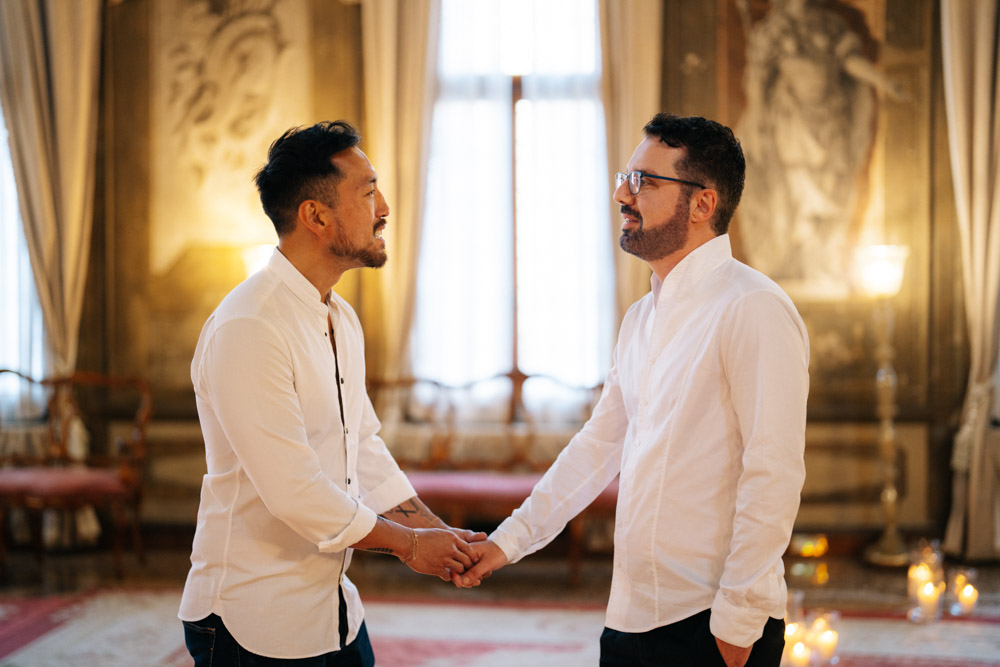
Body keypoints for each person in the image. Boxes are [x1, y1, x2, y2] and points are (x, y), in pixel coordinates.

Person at [457, 114, 810, 667]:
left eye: (644, 180)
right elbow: (598, 448)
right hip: (629, 616)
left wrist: (738, 621)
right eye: (626, 176)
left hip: (711, 621)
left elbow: (774, 471)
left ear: (702, 204)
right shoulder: (641, 317)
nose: (622, 193)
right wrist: (508, 541)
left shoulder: (753, 308)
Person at [179, 120, 484, 666]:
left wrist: (440, 537)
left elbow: (361, 447)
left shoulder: (339, 316)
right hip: (253, 617)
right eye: (367, 192)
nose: (384, 207)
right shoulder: (249, 326)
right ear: (315, 216)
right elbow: (295, 490)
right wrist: (410, 546)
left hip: (335, 610)